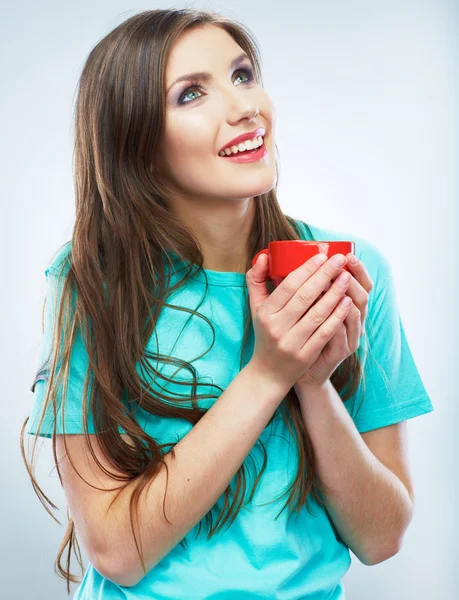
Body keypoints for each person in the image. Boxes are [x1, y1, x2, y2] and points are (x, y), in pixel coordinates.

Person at [21, 8, 434, 599]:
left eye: (243, 75)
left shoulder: (348, 271)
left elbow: (381, 538)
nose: (245, 106)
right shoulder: (90, 282)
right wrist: (270, 373)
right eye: (191, 94)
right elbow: (115, 551)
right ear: (137, 144)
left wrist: (314, 382)